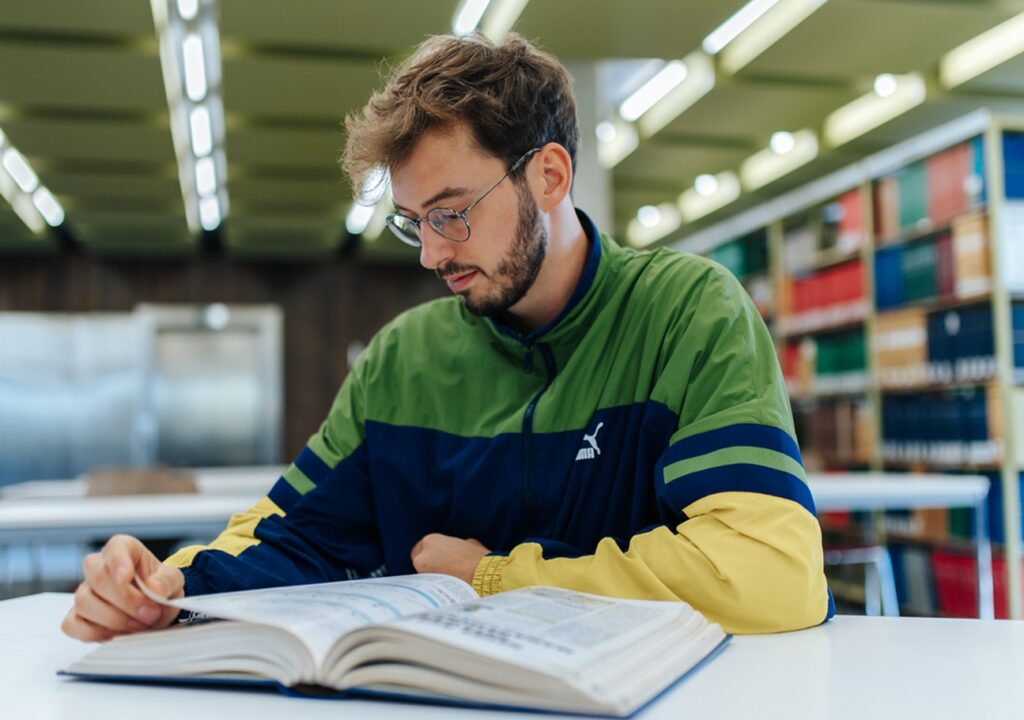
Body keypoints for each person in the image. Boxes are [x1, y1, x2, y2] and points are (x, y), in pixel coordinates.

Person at [62, 32, 832, 643]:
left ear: (551, 177)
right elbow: (293, 537)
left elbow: (769, 572)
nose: (432, 254)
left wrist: (496, 576)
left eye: (453, 212)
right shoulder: (404, 358)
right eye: (414, 222)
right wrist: (163, 585)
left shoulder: (689, 315)